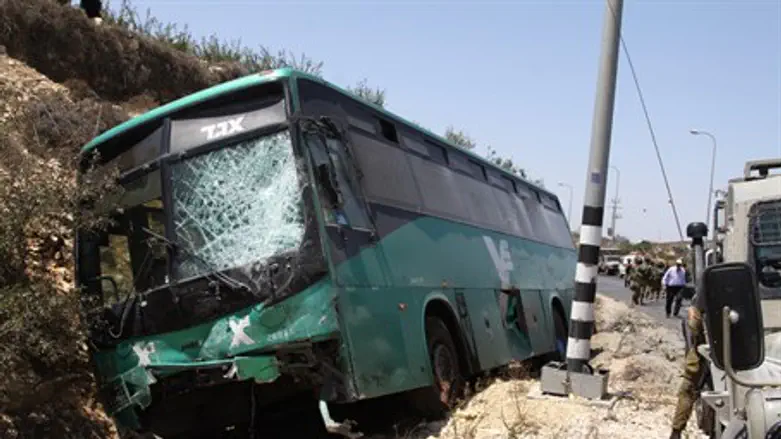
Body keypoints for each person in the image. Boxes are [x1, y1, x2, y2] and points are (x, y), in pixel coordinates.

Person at [669, 295, 706, 439]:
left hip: (701, 359)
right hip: (701, 358)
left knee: (688, 390)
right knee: (688, 390)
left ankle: (676, 431)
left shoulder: (694, 313)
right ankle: (676, 431)